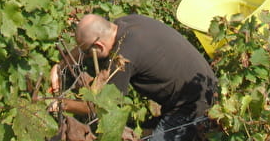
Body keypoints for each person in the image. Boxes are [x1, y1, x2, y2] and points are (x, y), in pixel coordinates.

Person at [51, 13, 216, 140]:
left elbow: (101, 106)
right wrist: (60, 66)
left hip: (195, 105)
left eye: (87, 53)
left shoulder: (123, 59)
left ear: (98, 46)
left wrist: (62, 105)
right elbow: (86, 45)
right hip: (204, 83)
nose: (84, 55)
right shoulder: (125, 23)